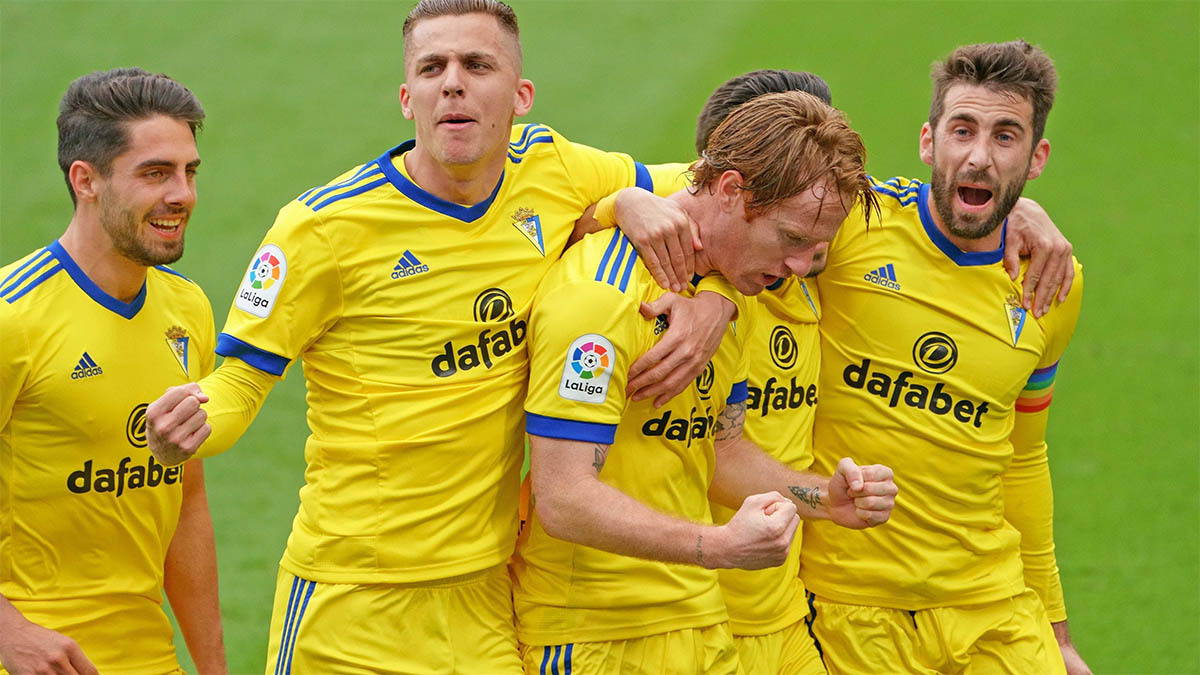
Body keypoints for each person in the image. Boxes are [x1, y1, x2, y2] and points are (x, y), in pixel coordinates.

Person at [144, 1, 734, 671]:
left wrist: (711, 296)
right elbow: (239, 381)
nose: (452, 82)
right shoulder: (323, 230)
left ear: (520, 95)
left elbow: (715, 201)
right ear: (407, 98)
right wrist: (190, 423)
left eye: (477, 65)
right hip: (351, 605)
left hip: (481, 603)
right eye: (433, 67)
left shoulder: (553, 168)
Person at [513, 90, 899, 675]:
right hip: (595, 636)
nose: (801, 269)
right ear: (729, 190)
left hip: (698, 620)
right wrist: (717, 547)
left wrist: (823, 499)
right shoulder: (600, 298)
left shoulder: (725, 292)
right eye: (792, 238)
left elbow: (719, 449)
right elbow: (563, 499)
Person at [800, 40, 1092, 674]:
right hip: (853, 607)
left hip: (995, 607)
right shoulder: (849, 223)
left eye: (1005, 135)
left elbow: (1023, 455)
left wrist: (1056, 628)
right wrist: (626, 203)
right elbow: (718, 203)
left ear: (1036, 157)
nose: (979, 157)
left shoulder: (1052, 286)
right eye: (963, 130)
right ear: (929, 142)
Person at [0, 68, 226, 675]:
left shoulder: (187, 309)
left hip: (147, 656)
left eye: (189, 171)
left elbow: (188, 501)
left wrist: (213, 668)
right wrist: (8, 633)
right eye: (155, 173)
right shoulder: (12, 318)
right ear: (86, 181)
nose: (182, 194)